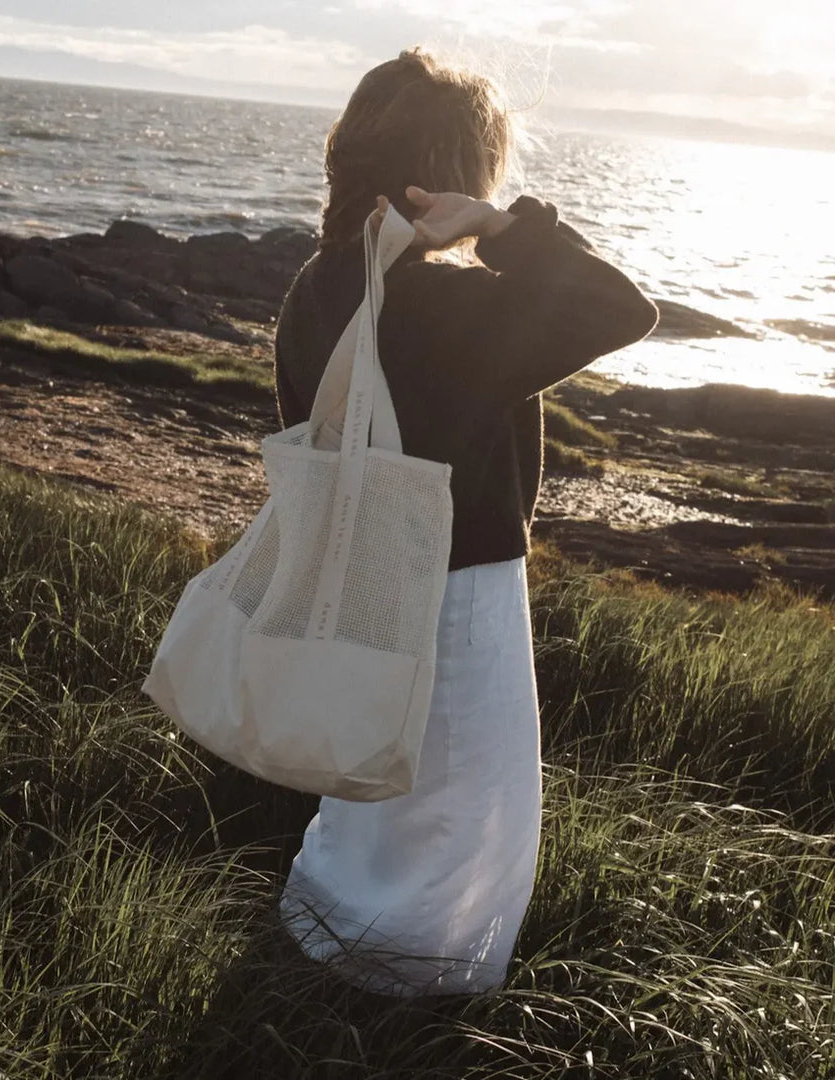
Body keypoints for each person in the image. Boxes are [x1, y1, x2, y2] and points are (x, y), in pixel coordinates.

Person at [275, 47, 658, 997]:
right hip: (458, 583)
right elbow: (623, 308)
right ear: (451, 173)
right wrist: (503, 230)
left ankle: (327, 945)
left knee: (371, 790)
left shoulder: (320, 284)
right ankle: (418, 990)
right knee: (467, 804)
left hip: (351, 569)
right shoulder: (439, 303)